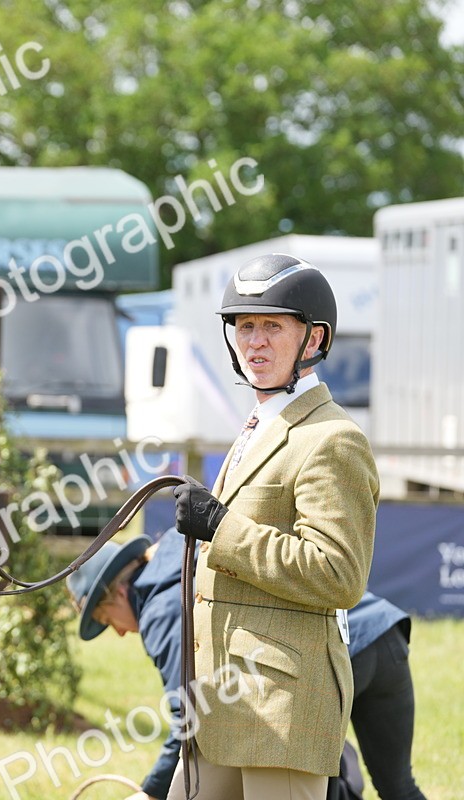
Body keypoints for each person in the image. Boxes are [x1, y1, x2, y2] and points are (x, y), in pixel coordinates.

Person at [167, 254, 379, 799]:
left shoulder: (333, 439)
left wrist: (221, 526)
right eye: (244, 326)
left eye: (272, 326)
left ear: (313, 339)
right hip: (217, 705)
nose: (254, 342)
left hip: (285, 708)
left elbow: (338, 574)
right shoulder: (261, 424)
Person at [66, 533, 427, 800]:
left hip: (326, 654)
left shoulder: (162, 611)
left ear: (118, 593)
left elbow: (190, 714)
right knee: (398, 786)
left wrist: (150, 793)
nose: (117, 631)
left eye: (104, 618)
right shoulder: (192, 555)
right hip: (382, 629)